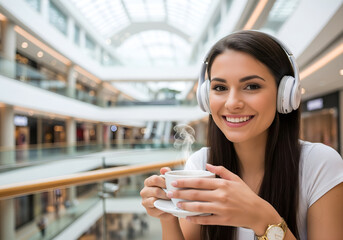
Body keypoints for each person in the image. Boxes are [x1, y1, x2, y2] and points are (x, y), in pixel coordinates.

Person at [140, 30, 343, 240]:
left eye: (252, 86)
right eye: (220, 87)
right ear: (206, 97)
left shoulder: (320, 164)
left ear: (285, 94)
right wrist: (167, 216)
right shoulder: (200, 164)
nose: (232, 103)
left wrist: (262, 219)